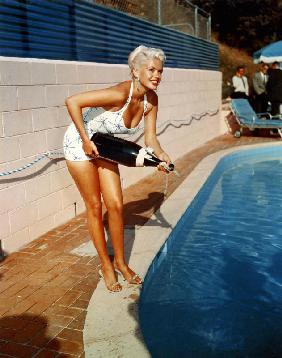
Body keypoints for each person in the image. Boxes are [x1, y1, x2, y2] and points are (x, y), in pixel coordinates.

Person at [63, 45, 172, 292]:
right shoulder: (119, 93)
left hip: (106, 146)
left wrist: (163, 157)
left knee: (115, 205)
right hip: (80, 145)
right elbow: (73, 102)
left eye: (160, 71)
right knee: (94, 206)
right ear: (136, 71)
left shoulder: (151, 100)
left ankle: (121, 263)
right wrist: (85, 140)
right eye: (151, 69)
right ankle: (106, 265)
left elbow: (151, 140)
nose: (157, 75)